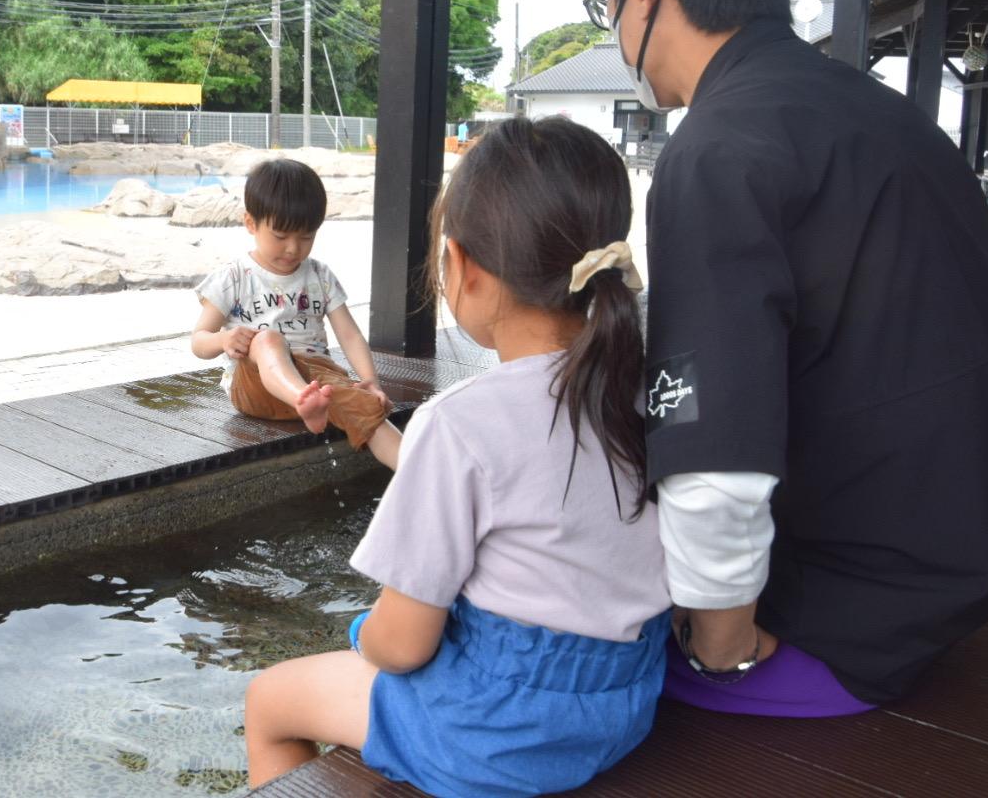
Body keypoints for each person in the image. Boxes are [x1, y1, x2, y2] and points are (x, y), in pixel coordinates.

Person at [553, 0, 988, 715]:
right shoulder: (889, 118)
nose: (617, 31)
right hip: (963, 561)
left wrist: (721, 648)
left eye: (608, 3)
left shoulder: (717, 149)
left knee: (553, 658)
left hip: (849, 624)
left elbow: (714, 452)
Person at [243, 118, 672, 797]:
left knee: (269, 700)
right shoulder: (647, 395)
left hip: (495, 731)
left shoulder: (459, 422)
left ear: (465, 269)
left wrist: (365, 636)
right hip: (619, 707)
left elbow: (404, 645)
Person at [192, 158, 401, 469]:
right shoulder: (234, 276)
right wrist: (224, 339)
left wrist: (370, 381)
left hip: (318, 380)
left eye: (306, 237)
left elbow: (349, 334)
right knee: (267, 340)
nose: (293, 248)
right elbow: (198, 341)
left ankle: (429, 483)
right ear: (251, 224)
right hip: (255, 385)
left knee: (369, 409)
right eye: (281, 236)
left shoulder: (319, 276)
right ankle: (304, 399)